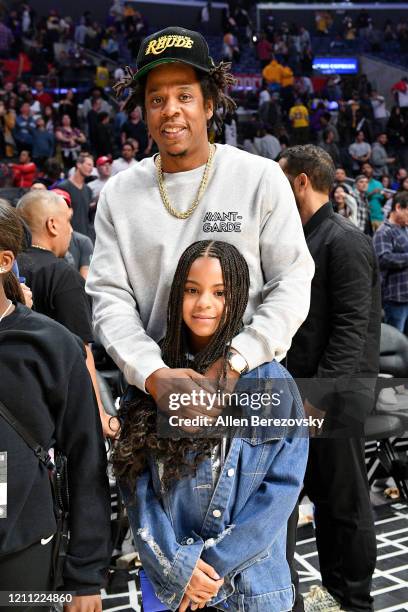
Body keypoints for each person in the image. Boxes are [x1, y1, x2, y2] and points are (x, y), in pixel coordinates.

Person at [86, 26, 314, 411]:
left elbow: (291, 279)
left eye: (185, 96)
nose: (170, 109)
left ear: (209, 104)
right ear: (144, 112)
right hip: (153, 392)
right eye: (156, 98)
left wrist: (237, 359)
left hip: (250, 381)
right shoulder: (119, 193)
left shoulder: (259, 177)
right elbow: (110, 299)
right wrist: (153, 374)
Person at [112, 239, 308, 612]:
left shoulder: (271, 382)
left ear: (237, 299)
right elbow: (137, 487)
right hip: (175, 592)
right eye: (191, 290)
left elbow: (282, 488)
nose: (204, 303)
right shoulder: (152, 377)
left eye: (219, 292)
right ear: (175, 296)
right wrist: (178, 568)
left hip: (252, 591)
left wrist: (208, 570)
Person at [279, 145, 381, 612]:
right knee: (295, 501)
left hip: (332, 398)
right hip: (299, 394)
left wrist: (320, 401)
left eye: (280, 179)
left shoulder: (343, 239)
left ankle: (352, 600)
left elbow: (350, 330)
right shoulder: (299, 238)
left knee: (342, 506)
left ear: (302, 180)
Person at [0, 200, 111, 611]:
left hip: (22, 558)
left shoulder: (49, 345)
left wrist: (84, 578)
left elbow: (86, 461)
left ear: (4, 260)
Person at [16, 190, 114, 437]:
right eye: (68, 222)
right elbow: (81, 352)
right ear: (52, 225)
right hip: (56, 407)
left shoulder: (7, 270)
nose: (71, 231)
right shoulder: (62, 275)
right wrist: (99, 414)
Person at [373, 191, 408, 333]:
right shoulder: (384, 231)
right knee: (395, 342)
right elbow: (382, 259)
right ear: (398, 207)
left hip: (406, 296)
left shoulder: (405, 229)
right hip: (395, 298)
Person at [59, 153, 95, 239]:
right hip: (68, 236)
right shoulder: (63, 187)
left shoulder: (88, 190)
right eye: (89, 164)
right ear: (79, 164)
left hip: (85, 236)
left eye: (92, 166)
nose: (91, 168)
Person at [362, 161, 385, 231]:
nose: (366, 169)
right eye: (364, 168)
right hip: (365, 218)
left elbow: (382, 201)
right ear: (362, 171)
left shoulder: (379, 184)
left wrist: (386, 197)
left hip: (378, 217)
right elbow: (359, 198)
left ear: (372, 169)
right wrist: (372, 193)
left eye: (368, 167)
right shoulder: (358, 183)